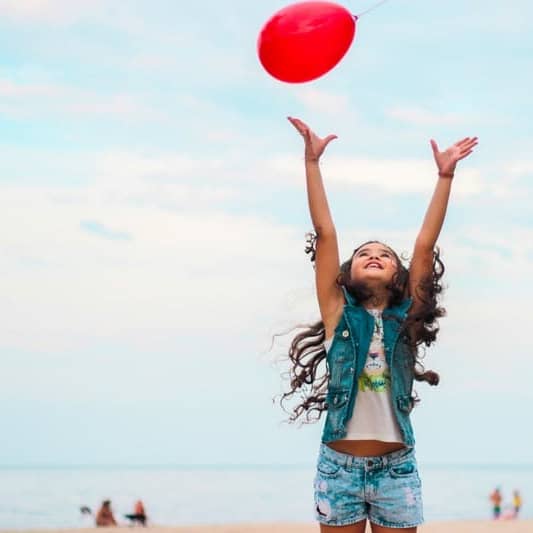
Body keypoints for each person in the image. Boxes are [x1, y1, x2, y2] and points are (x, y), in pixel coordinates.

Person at [282, 116, 477, 532]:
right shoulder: (339, 316)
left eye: (385, 255)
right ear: (347, 274)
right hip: (339, 467)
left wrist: (445, 175)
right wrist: (312, 164)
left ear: (399, 276)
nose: (374, 255)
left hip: (396, 469)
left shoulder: (405, 320)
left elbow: (425, 244)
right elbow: (325, 233)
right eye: (364, 253)